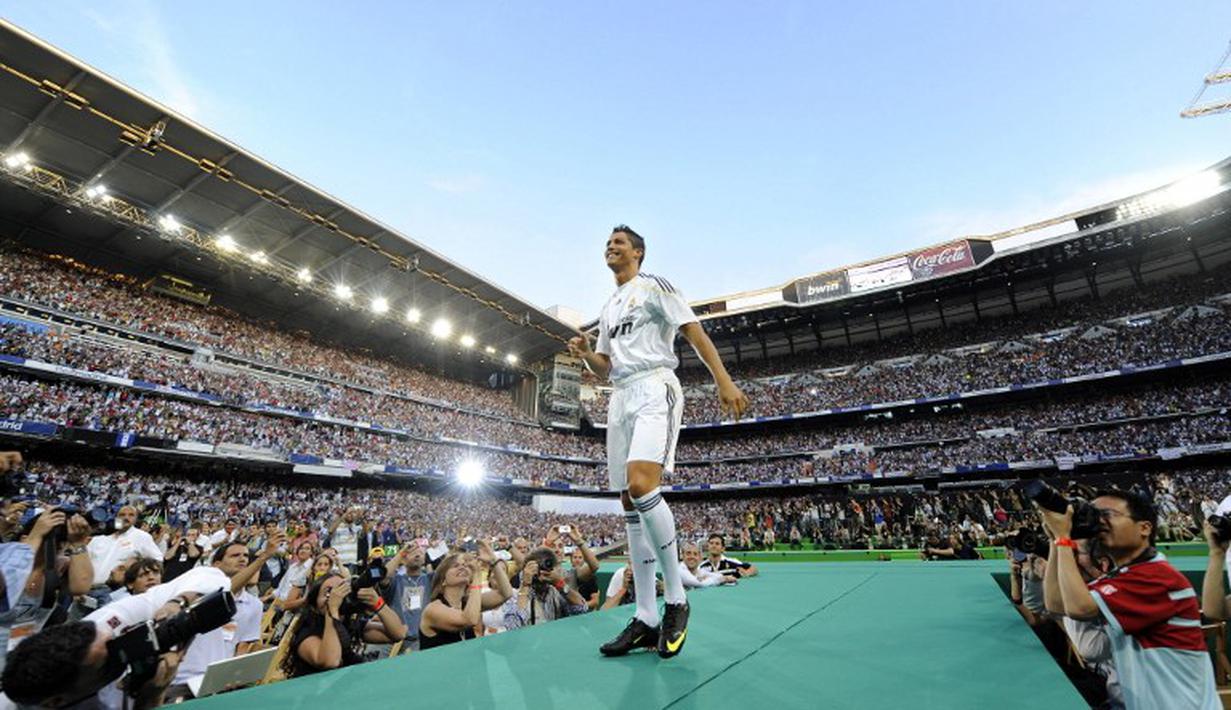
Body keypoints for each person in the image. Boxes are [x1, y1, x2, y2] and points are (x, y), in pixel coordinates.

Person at [569, 225, 749, 659]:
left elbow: (694, 332)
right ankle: (646, 615)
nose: (610, 247)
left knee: (642, 485)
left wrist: (723, 380)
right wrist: (583, 354)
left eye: (619, 243)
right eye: (607, 243)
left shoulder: (655, 287)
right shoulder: (609, 306)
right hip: (621, 395)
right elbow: (606, 367)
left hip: (654, 387)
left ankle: (677, 600)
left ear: (638, 252)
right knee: (628, 503)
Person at [1039, 489, 1218, 710]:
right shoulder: (1124, 577)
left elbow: (1078, 608)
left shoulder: (1157, 577)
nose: (1100, 522)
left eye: (1109, 514)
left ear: (1144, 528)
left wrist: (1064, 540)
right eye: (1095, 515)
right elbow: (1056, 604)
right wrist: (1055, 541)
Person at [1, 565, 234, 708]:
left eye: (113, 645)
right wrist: (152, 696)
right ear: (56, 701)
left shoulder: (103, 625)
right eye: (106, 664)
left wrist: (177, 602)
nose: (120, 655)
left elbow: (210, 575)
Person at [165, 532, 284, 699]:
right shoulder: (201, 590)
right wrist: (264, 556)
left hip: (217, 684)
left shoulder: (254, 605)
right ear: (216, 564)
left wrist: (233, 676)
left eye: (245, 556)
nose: (242, 559)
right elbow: (226, 592)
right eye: (235, 555)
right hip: (182, 680)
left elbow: (241, 646)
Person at [283, 571, 407, 678]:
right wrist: (332, 610)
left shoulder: (349, 624)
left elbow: (398, 633)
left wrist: (377, 603)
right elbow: (331, 661)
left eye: (342, 588)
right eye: (329, 592)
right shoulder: (306, 633)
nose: (337, 595)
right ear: (315, 606)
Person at [419, 551, 509, 650]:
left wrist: (494, 561)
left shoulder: (467, 603)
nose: (462, 567)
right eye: (455, 565)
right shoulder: (433, 609)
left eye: (465, 565)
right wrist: (477, 575)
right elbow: (469, 620)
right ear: (443, 580)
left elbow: (505, 594)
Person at [504, 548, 588, 629]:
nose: (542, 572)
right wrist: (525, 585)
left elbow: (581, 609)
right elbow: (513, 625)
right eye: (538, 567)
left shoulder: (556, 592)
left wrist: (560, 583)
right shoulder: (516, 595)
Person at [86, 505, 163, 588]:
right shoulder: (99, 540)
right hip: (86, 588)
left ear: (136, 519)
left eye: (131, 515)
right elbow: (83, 562)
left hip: (116, 590)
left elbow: (157, 561)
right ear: (116, 518)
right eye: (122, 515)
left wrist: (134, 566)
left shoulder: (141, 537)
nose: (126, 518)